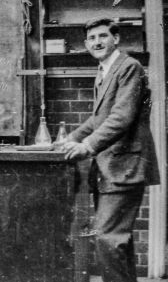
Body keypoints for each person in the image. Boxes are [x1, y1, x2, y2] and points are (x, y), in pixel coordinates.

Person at [61, 17, 159, 282]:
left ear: (116, 38)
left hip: (125, 167)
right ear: (86, 44)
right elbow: (98, 119)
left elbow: (121, 117)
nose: (97, 42)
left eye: (103, 36)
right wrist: (68, 139)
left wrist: (87, 146)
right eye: (91, 38)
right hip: (111, 167)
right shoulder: (105, 70)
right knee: (117, 242)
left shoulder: (129, 67)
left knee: (108, 239)